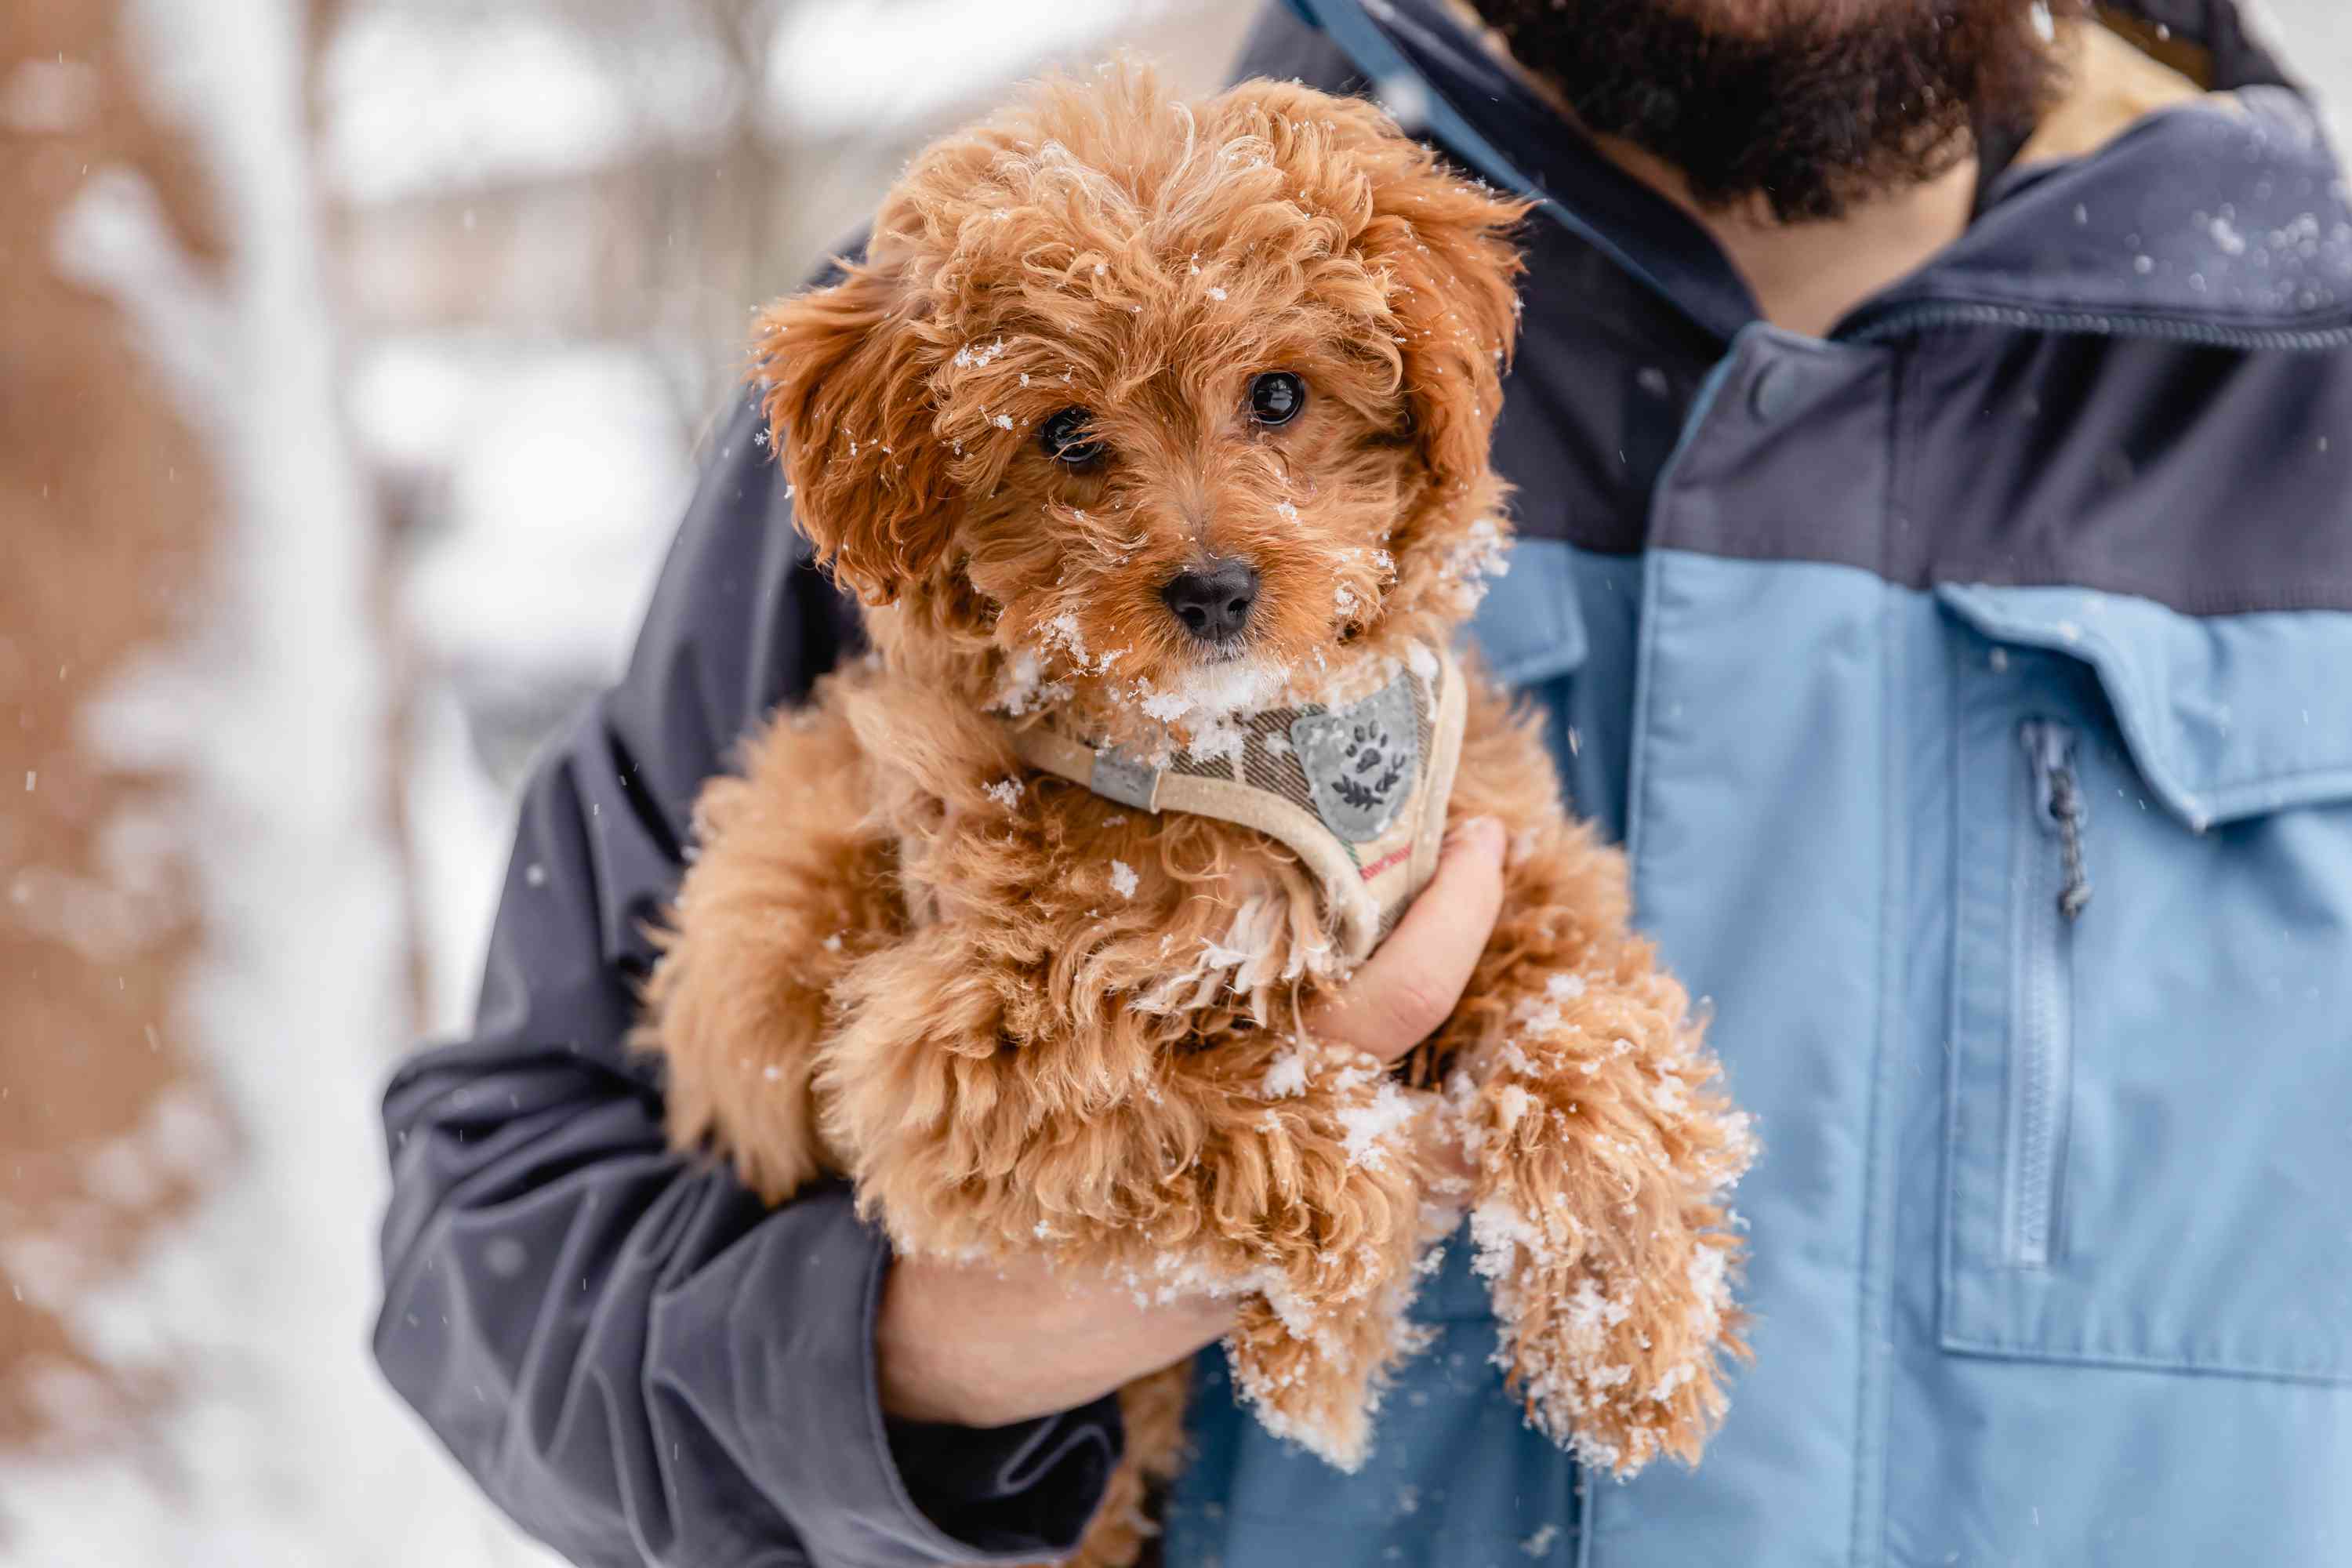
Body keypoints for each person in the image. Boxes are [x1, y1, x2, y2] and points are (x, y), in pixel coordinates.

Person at [372, 1, 2352, 1563]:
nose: (1204, 520)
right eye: (1086, 444)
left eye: (1278, 408)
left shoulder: (2307, 401)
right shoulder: (952, 322)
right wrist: (909, 1360)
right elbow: (497, 1241)